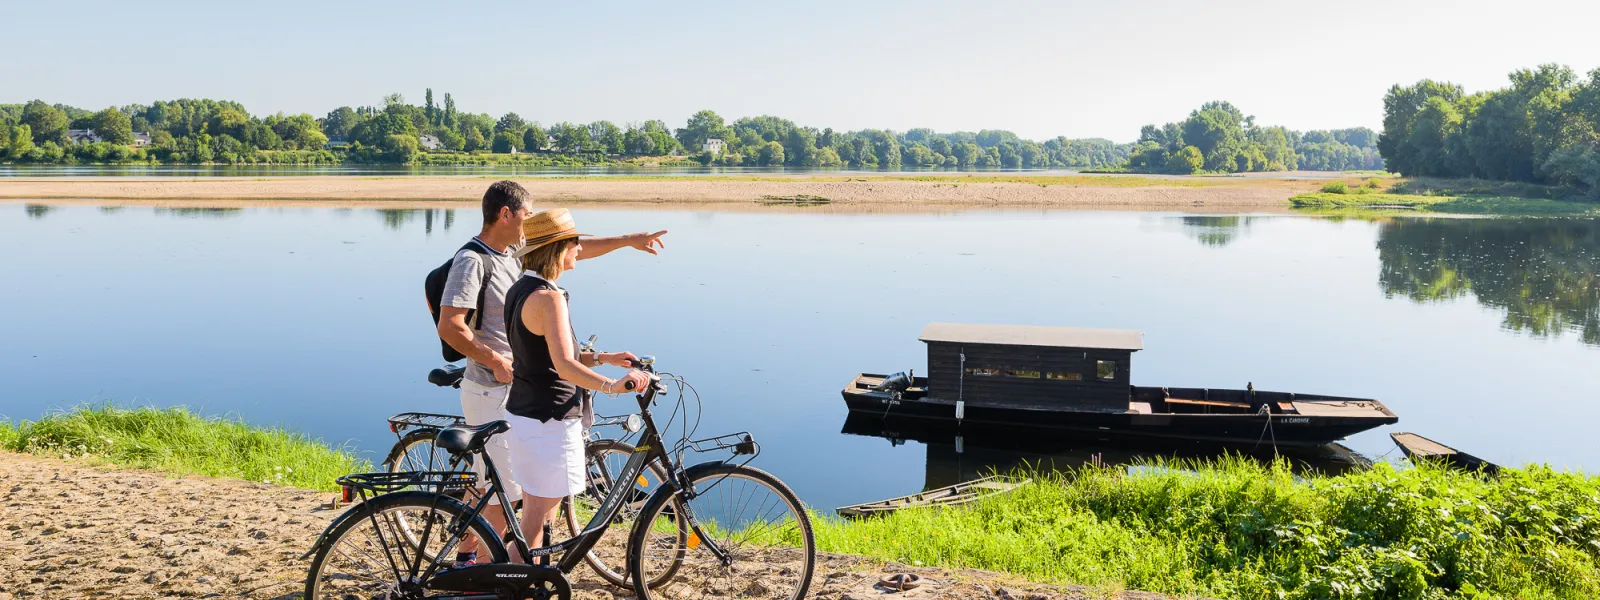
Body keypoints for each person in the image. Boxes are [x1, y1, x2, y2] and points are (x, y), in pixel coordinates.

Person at [438, 181, 664, 563]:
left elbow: (570, 252)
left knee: (522, 499)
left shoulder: (516, 265)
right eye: (527, 214)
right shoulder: (477, 261)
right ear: (505, 214)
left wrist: (627, 240)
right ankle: (473, 566)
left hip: (521, 392)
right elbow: (450, 326)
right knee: (503, 492)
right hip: (497, 390)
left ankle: (505, 569)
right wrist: (495, 359)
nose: (529, 222)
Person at [503, 207, 651, 554]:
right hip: (549, 419)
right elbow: (565, 366)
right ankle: (511, 586)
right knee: (537, 518)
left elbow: (542, 357)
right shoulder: (549, 298)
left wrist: (604, 358)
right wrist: (612, 386)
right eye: (574, 243)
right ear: (557, 248)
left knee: (538, 513)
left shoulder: (521, 289)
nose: (580, 249)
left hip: (525, 414)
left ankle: (525, 580)